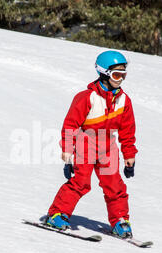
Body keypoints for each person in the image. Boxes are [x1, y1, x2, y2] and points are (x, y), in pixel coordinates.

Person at [45, 50, 138, 238]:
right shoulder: (87, 97)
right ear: (104, 73)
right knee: (80, 182)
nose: (120, 79)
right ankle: (57, 214)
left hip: (108, 146)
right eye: (116, 75)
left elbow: (127, 130)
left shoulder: (124, 100)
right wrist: (67, 150)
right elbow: (70, 124)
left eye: (123, 75)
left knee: (114, 184)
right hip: (85, 142)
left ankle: (120, 220)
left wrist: (129, 154)